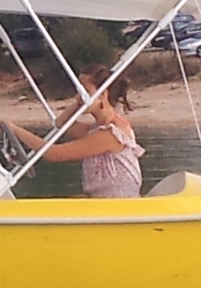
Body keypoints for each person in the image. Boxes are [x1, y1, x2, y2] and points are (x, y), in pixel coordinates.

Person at [8, 71, 142, 198]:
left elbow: (55, 154)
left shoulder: (110, 134)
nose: (77, 96)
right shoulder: (99, 128)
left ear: (102, 95)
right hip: (101, 202)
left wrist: (15, 130)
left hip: (117, 205)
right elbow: (62, 123)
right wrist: (81, 102)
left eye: (85, 92)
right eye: (79, 91)